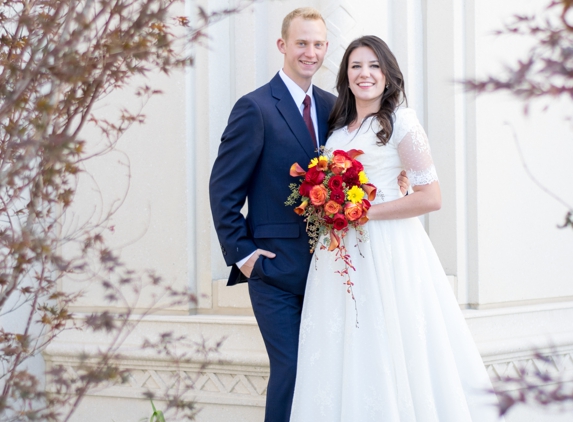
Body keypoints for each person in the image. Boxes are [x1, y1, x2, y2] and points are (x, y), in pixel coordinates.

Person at [210, 7, 410, 422]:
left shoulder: (335, 107)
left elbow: (363, 160)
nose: (310, 52)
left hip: (332, 272)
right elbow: (223, 189)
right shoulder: (255, 108)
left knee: (327, 377)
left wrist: (398, 176)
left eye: (318, 44)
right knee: (292, 371)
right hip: (275, 274)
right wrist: (244, 257)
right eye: (302, 43)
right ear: (283, 45)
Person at [290, 35, 502, 421]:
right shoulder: (337, 128)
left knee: (388, 337)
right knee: (344, 342)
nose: (364, 74)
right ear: (346, 76)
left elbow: (430, 196)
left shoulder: (401, 122)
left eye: (374, 66)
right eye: (356, 66)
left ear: (388, 75)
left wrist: (363, 213)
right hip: (338, 253)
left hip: (388, 246)